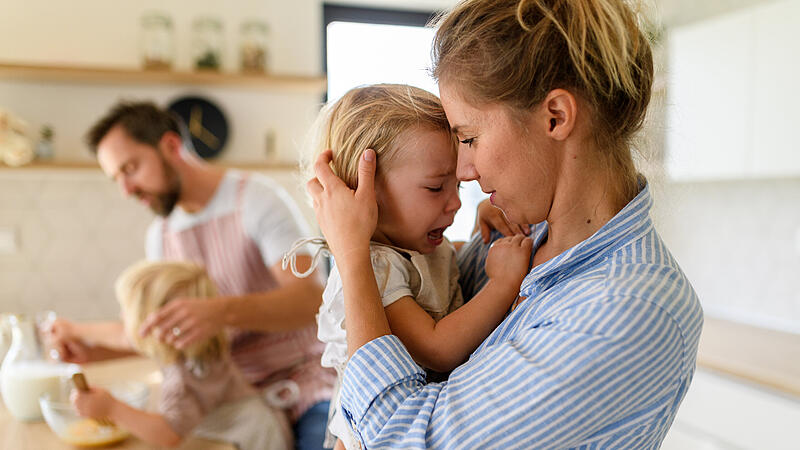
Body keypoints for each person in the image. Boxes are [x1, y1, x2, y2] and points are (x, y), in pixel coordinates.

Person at [305, 0, 704, 448]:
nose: (464, 170)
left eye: (470, 138)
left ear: (555, 116)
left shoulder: (629, 307)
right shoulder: (519, 239)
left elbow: (401, 439)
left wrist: (352, 258)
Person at [44, 101, 335, 450]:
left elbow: (311, 300)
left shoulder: (257, 200)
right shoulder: (161, 235)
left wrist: (220, 313)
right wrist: (96, 353)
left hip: (302, 385)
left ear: (169, 146)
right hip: (221, 400)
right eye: (116, 178)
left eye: (131, 168)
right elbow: (168, 338)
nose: (126, 189)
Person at [284, 84, 533, 449]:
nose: (455, 205)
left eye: (458, 189)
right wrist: (502, 284)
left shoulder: (416, 246)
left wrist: (488, 226)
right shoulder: (376, 268)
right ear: (364, 194)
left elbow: (446, 268)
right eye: (435, 189)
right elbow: (437, 348)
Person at [72, 260, 293, 450]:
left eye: (126, 311)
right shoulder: (199, 346)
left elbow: (168, 433)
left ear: (156, 325)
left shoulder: (187, 375)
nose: (121, 316)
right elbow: (127, 338)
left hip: (255, 440)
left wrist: (112, 408)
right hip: (257, 426)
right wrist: (74, 331)